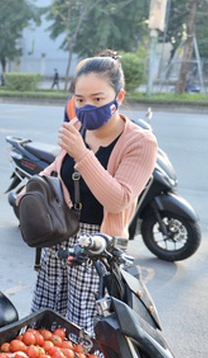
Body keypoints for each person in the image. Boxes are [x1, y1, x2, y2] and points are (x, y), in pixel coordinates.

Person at [18, 54, 158, 334]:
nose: (86, 107)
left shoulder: (140, 142)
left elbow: (118, 200)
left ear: (119, 96)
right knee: (45, 318)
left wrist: (82, 152)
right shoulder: (76, 128)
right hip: (59, 233)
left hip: (97, 245)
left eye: (97, 98)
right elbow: (58, 169)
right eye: (79, 100)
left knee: (85, 329)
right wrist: (32, 188)